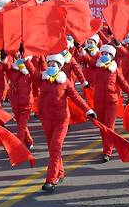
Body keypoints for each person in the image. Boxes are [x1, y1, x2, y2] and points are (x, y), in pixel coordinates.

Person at [33, 53, 95, 193]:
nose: (50, 67)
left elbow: (76, 97)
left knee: (55, 148)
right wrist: (24, 56)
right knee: (52, 149)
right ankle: (60, 172)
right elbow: (31, 69)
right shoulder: (42, 79)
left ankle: (51, 179)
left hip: (61, 119)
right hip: (46, 118)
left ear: (60, 67)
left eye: (53, 65)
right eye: (49, 65)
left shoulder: (65, 82)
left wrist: (88, 110)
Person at [79, 44, 129, 162]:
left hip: (112, 102)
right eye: (103, 53)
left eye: (107, 54)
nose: (105, 56)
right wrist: (80, 49)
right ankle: (107, 146)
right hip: (99, 101)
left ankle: (107, 152)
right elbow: (88, 60)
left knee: (109, 128)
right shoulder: (97, 65)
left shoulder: (115, 69)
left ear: (112, 56)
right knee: (102, 128)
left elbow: (123, 83)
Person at [6, 45, 36, 149]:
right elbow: (6, 68)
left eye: (22, 58)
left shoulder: (30, 72)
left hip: (26, 102)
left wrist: (27, 62)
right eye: (19, 57)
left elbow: (35, 75)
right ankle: (28, 141)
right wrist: (3, 57)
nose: (20, 59)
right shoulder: (13, 69)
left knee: (21, 125)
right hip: (15, 101)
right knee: (20, 123)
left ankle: (18, 146)